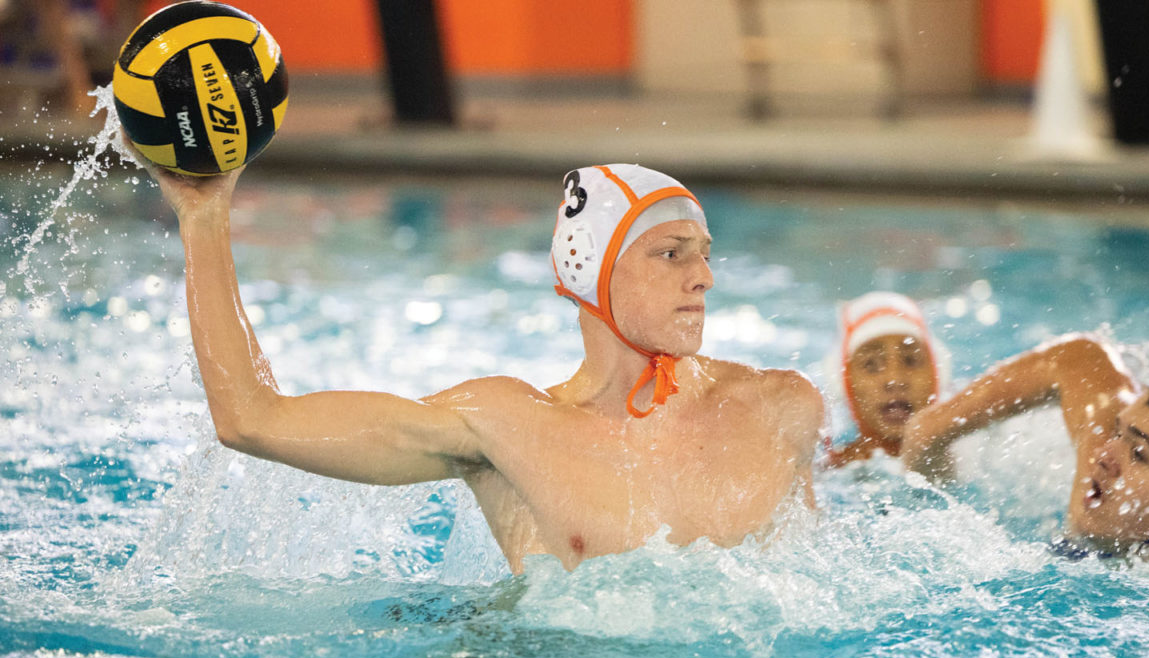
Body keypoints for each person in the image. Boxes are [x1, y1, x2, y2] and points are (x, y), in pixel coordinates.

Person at [143, 160, 824, 574]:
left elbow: (829, 584)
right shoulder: (502, 428)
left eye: (705, 252)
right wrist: (205, 219)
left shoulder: (779, 409)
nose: (704, 276)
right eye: (672, 253)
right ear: (591, 274)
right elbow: (253, 420)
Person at [901, 334, 1149, 556]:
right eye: (1119, 432)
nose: (1103, 454)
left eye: (1138, 453)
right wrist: (929, 437)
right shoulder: (1098, 453)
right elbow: (1081, 358)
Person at [823, 291, 944, 467]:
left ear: (937, 375)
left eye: (910, 361)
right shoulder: (824, 472)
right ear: (845, 382)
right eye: (871, 364)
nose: (895, 380)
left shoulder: (971, 455)